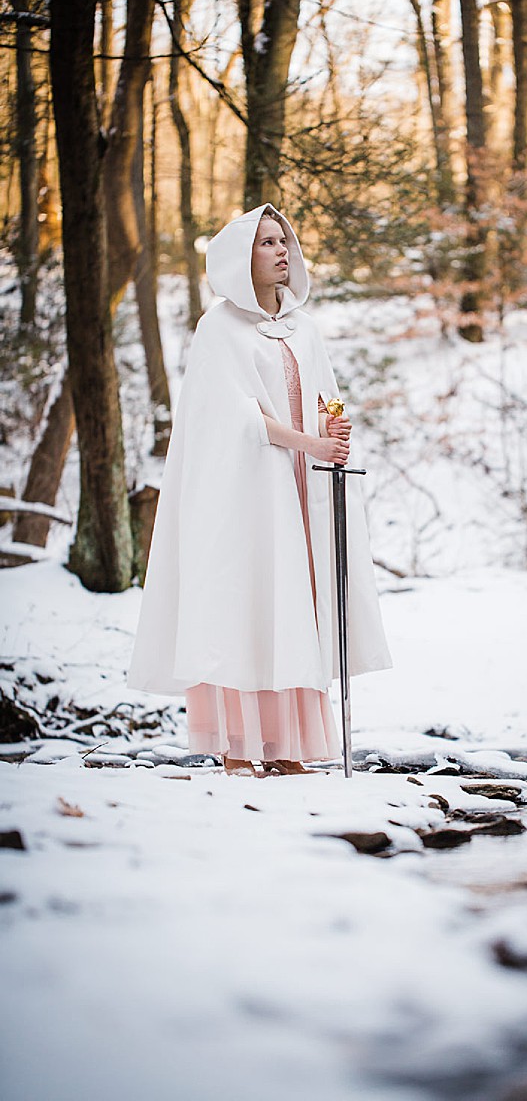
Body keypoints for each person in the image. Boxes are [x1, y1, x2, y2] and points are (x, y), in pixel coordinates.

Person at [129, 204, 391, 776]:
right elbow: (233, 418)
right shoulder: (219, 330)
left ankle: (289, 746)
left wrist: (335, 426)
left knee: (292, 605)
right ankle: (239, 748)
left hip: (300, 491)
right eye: (266, 242)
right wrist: (309, 443)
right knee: (248, 602)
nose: (280, 251)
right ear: (239, 258)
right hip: (244, 497)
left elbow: (328, 394)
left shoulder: (305, 327)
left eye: (283, 242)